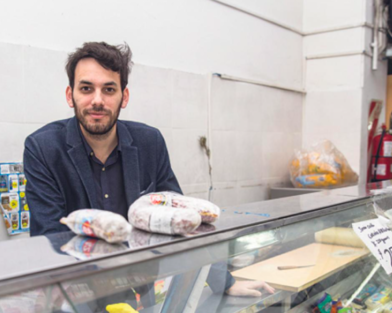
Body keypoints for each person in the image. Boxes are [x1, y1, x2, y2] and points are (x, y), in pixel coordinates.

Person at [23, 41, 274, 299]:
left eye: (109, 89)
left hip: (139, 294)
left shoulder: (149, 143)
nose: (97, 100)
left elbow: (183, 224)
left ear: (124, 96)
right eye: (86, 88)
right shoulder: (43, 148)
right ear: (70, 95)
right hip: (75, 296)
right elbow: (49, 237)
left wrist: (225, 283)